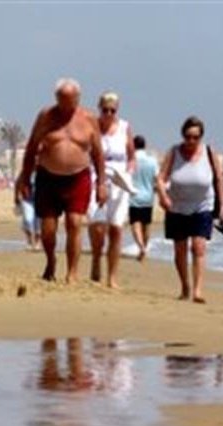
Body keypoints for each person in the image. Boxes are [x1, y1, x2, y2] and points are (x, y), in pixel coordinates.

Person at [15, 78, 107, 282]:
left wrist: (101, 183)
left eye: (71, 100)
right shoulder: (46, 117)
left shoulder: (88, 119)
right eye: (63, 100)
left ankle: (72, 272)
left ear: (78, 98)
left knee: (74, 223)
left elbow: (98, 154)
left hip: (78, 177)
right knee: (48, 229)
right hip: (48, 177)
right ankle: (51, 261)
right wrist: (25, 179)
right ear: (56, 98)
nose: (67, 106)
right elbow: (31, 149)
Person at [155, 115, 223, 304]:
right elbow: (161, 178)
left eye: (195, 137)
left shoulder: (209, 153)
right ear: (183, 135)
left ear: (201, 137)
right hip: (177, 207)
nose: (191, 141)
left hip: (202, 205)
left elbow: (219, 179)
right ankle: (185, 286)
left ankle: (198, 290)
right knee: (180, 250)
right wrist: (163, 196)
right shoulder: (174, 152)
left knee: (198, 247)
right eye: (188, 136)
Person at [87, 92, 135, 288]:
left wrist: (129, 173)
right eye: (105, 110)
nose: (108, 114)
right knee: (98, 226)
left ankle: (112, 277)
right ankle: (96, 258)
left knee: (116, 228)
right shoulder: (92, 126)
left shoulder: (124, 127)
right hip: (96, 178)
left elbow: (131, 156)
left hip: (119, 180)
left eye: (112, 111)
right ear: (100, 108)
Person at [129, 134, 158, 262]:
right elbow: (157, 178)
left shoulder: (130, 161)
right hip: (148, 197)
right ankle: (144, 248)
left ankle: (141, 247)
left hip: (133, 196)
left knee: (136, 223)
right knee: (146, 224)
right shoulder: (152, 161)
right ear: (144, 146)